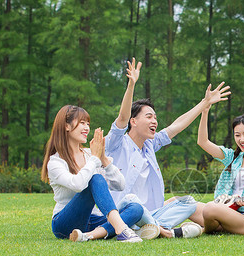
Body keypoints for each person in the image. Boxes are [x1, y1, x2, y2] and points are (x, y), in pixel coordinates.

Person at [105, 59, 231, 239]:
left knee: (188, 202)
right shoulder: (117, 144)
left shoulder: (149, 145)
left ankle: (153, 228)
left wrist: (204, 104)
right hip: (125, 213)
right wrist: (131, 85)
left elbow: (177, 125)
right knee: (136, 206)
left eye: (155, 117)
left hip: (151, 214)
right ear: (134, 122)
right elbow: (123, 117)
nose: (154, 121)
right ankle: (163, 231)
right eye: (148, 117)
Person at [41, 105, 145, 243]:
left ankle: (89, 235)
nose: (87, 128)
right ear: (66, 126)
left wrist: (104, 160)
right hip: (65, 223)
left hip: (92, 220)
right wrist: (95, 159)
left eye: (88, 124)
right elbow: (78, 185)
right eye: (82, 123)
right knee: (95, 178)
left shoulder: (90, 154)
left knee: (136, 209)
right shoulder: (55, 162)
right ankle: (122, 230)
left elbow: (120, 185)